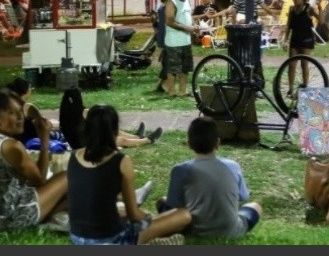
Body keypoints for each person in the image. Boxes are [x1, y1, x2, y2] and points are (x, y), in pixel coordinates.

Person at [67, 104, 190, 245]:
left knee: (120, 210)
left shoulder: (73, 157)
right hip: (112, 240)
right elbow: (134, 215)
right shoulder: (120, 161)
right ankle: (151, 242)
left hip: (77, 238)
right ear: (115, 130)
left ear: (86, 128)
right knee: (182, 215)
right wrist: (150, 217)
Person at [0, 89, 68, 231]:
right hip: (2, 221)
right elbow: (39, 181)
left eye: (20, 111)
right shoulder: (10, 146)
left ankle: (55, 211)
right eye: (11, 113)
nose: (20, 117)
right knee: (67, 178)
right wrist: (44, 139)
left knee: (68, 196)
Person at [156, 116, 262, 238]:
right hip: (232, 231)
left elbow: (173, 205)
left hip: (192, 229)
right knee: (255, 206)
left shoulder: (180, 170)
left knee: (162, 201)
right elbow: (243, 196)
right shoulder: (233, 166)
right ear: (218, 143)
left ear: (189, 144)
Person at [58, 87, 163, 150]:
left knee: (113, 131)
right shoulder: (75, 120)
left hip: (88, 140)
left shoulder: (68, 115)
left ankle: (137, 136)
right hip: (88, 145)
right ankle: (148, 140)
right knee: (122, 140)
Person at [280, 0, 321, 98]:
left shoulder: (308, 9)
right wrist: (285, 39)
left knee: (304, 64)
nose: (294, 0)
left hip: (306, 39)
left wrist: (320, 10)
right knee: (291, 65)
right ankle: (290, 89)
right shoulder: (292, 9)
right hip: (295, 38)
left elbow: (320, 20)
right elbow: (288, 26)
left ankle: (305, 86)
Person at [164, 0, 199, 97]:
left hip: (186, 41)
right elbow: (169, 21)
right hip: (174, 42)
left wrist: (194, 26)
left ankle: (183, 90)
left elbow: (189, 15)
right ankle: (171, 91)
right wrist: (186, 28)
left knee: (185, 68)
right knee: (173, 68)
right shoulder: (171, 1)